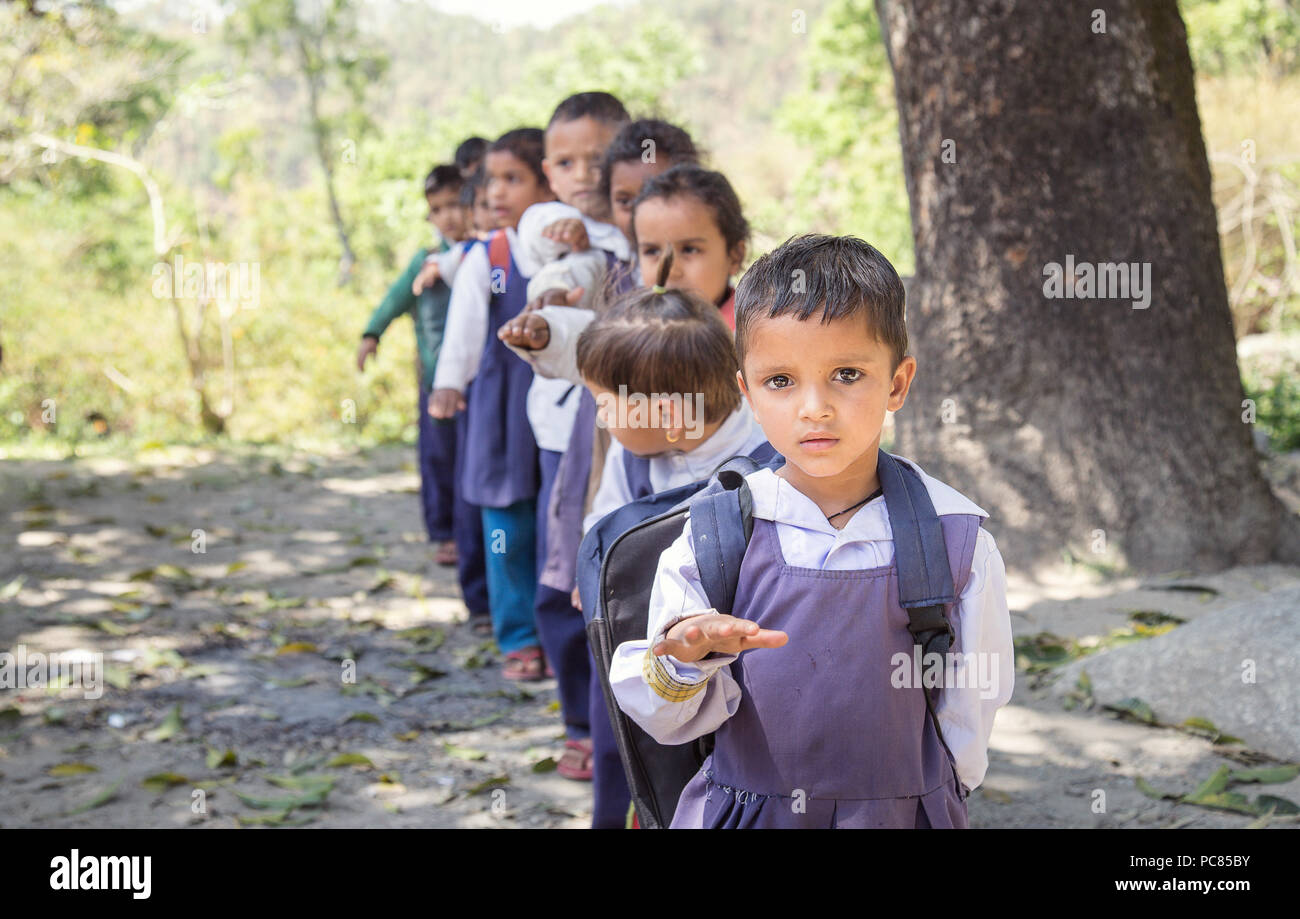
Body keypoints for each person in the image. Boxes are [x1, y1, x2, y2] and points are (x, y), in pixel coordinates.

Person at [608, 234, 1015, 828]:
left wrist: (932, 796)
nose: (814, 407)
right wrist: (686, 658)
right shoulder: (718, 535)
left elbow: (972, 706)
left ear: (898, 383)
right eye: (781, 381)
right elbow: (665, 718)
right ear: (745, 390)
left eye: (846, 374)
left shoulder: (956, 541)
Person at [572, 251, 770, 828]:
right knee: (632, 764)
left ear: (664, 412)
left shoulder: (757, 464)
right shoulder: (636, 456)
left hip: (724, 678)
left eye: (607, 404)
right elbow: (605, 519)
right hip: (636, 656)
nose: (603, 419)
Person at [429, 128, 555, 679]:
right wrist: (448, 381)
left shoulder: (573, 248)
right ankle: (519, 635)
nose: (498, 192)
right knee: (507, 522)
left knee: (556, 523)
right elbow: (465, 325)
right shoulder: (491, 255)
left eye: (514, 179)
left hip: (558, 404)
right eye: (492, 181)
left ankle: (559, 635)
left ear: (547, 181)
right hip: (501, 405)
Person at [356, 166, 488, 637]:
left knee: (468, 465)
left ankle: (463, 532)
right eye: (437, 210)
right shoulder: (424, 260)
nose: (447, 216)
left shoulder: (483, 255)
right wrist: (371, 333)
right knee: (437, 456)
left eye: (455, 204)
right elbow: (394, 299)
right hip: (434, 383)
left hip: (476, 385)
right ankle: (443, 532)